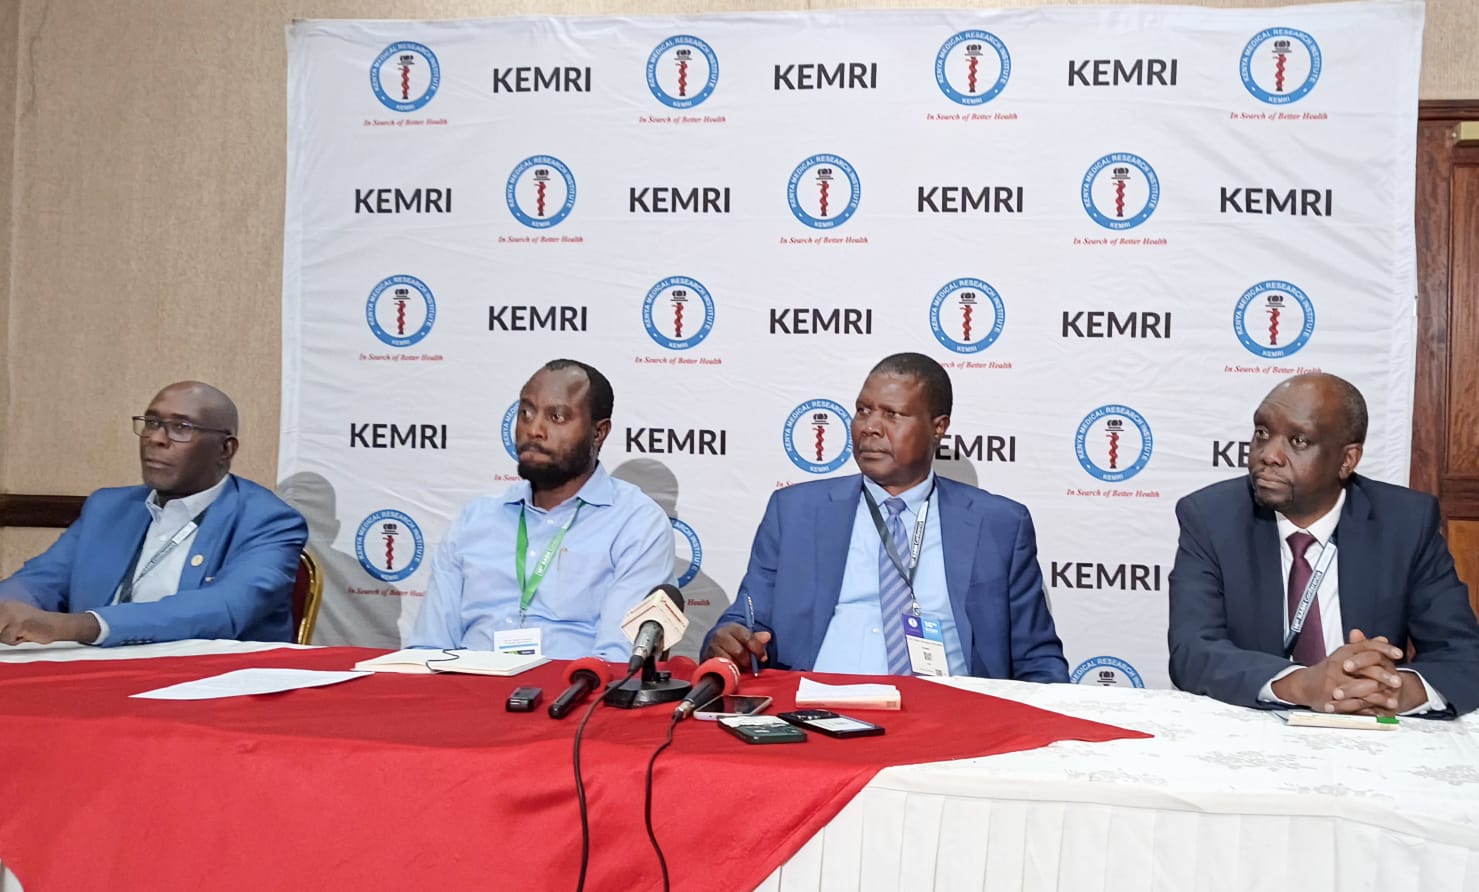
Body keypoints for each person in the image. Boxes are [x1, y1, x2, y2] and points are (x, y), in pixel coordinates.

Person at [702, 353, 1068, 681]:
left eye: (892, 414)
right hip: (818, 711)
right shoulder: (795, 511)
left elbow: (1037, 659)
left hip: (949, 716)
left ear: (938, 427)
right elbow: (746, 620)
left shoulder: (999, 524)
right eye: (863, 410)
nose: (870, 427)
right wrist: (727, 640)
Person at [1168, 373, 1479, 717]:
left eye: (1298, 440)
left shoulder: (1405, 523)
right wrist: (1302, 684)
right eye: (1262, 433)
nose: (1269, 455)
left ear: (1347, 460)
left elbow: (1464, 656)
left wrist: (1395, 690)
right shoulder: (1210, 518)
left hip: (1372, 733)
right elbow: (1192, 652)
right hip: (1256, 728)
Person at [0, 381, 307, 646]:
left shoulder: (269, 521)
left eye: (182, 428)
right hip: (93, 673)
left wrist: (79, 626)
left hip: (208, 682)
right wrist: (10, 609)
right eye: (151, 422)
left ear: (225, 449)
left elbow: (223, 610)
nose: (156, 439)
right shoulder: (108, 508)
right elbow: (39, 581)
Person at [408, 360, 674, 659]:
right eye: (526, 413)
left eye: (557, 416)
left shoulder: (636, 523)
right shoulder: (474, 520)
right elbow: (427, 649)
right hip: (465, 682)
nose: (534, 429)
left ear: (598, 432)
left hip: (571, 686)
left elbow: (617, 661)